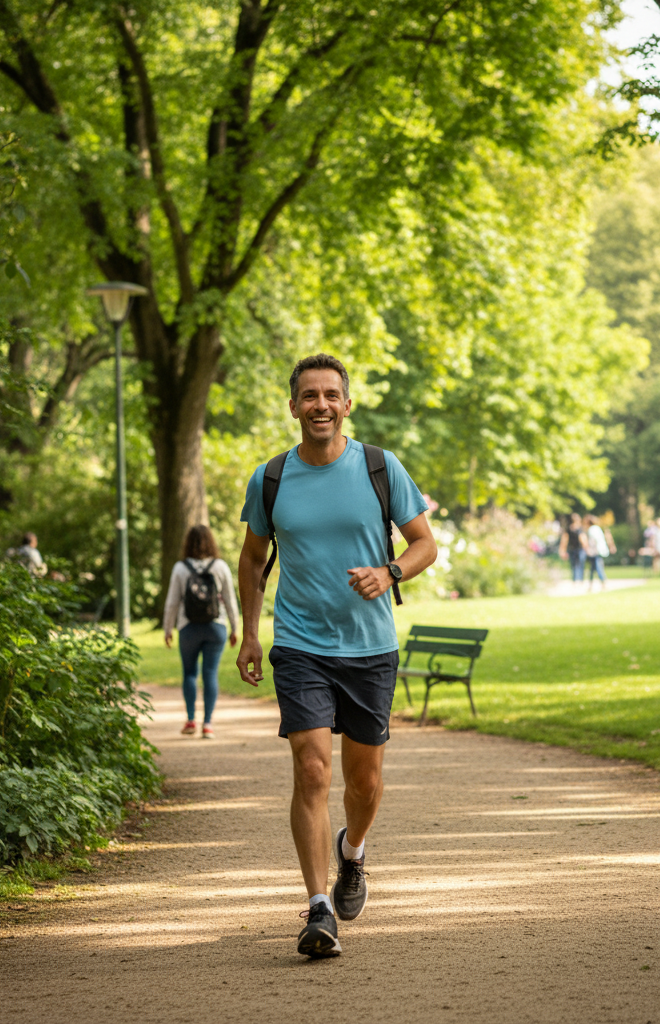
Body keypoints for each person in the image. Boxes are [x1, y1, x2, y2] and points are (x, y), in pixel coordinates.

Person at [235, 353, 437, 959]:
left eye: (331, 395)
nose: (320, 405)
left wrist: (390, 571)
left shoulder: (380, 467)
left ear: (346, 405)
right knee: (312, 769)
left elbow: (426, 544)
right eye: (309, 396)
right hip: (300, 645)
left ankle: (353, 853)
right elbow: (250, 559)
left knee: (364, 782)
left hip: (371, 649)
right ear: (293, 406)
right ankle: (318, 907)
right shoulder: (270, 478)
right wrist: (249, 632)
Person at [163, 525, 239, 738]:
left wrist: (168, 628)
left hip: (188, 627)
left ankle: (190, 720)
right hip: (216, 626)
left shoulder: (180, 568)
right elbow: (230, 599)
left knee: (189, 673)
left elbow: (172, 602)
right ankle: (207, 724)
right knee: (210, 673)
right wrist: (235, 628)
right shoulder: (220, 566)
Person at [584, 514, 615, 591]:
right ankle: (591, 585)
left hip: (595, 551)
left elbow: (593, 541)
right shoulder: (597, 528)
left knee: (597, 567)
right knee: (593, 568)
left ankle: (603, 582)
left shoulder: (591, 529)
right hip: (600, 550)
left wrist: (590, 550)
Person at [558, 513, 588, 588]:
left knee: (575, 565)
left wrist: (562, 550)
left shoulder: (574, 529)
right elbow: (583, 539)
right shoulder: (578, 529)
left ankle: (576, 581)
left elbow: (564, 540)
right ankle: (579, 580)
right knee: (579, 565)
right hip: (578, 549)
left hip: (575, 549)